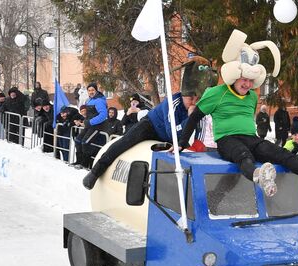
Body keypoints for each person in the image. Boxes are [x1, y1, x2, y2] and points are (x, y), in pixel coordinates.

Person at [178, 76, 298, 197]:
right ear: (234, 77)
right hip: (227, 139)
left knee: (281, 154)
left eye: (251, 81)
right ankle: (261, 177)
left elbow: (248, 116)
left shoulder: (252, 96)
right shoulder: (217, 93)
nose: (248, 84)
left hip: (251, 137)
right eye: (244, 79)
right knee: (243, 156)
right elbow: (195, 117)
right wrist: (182, 142)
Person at [82, 56, 217, 189]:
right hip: (151, 126)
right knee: (125, 142)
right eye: (190, 98)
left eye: (198, 98)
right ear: (183, 94)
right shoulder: (173, 103)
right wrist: (190, 118)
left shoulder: (198, 107)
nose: (194, 101)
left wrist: (197, 144)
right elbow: (173, 133)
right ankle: (96, 171)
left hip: (173, 135)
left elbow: (200, 128)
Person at [73, 83, 108, 168]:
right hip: (89, 126)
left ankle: (84, 165)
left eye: (92, 90)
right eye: (89, 90)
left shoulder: (99, 100)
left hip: (97, 127)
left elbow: (103, 115)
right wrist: (82, 121)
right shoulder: (89, 100)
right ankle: (78, 161)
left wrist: (90, 122)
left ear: (96, 90)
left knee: (85, 142)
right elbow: (88, 114)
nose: (91, 92)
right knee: (78, 140)